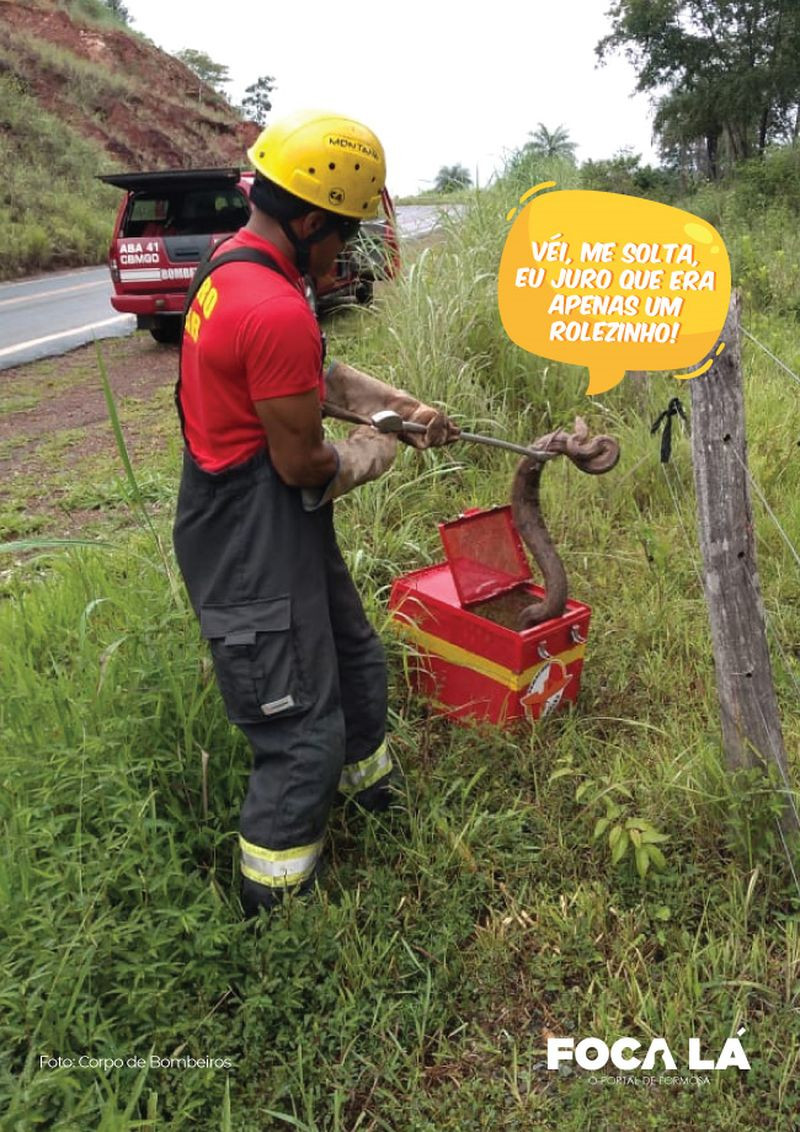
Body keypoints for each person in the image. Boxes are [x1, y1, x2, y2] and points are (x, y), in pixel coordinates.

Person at [172, 109, 459, 917]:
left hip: (274, 519)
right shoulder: (270, 306)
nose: (347, 251)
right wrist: (380, 446)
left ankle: (372, 795)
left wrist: (403, 407)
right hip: (246, 532)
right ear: (308, 222)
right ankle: (278, 903)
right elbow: (302, 463)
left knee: (353, 655)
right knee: (296, 719)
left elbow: (307, 376)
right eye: (345, 233)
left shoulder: (238, 264)